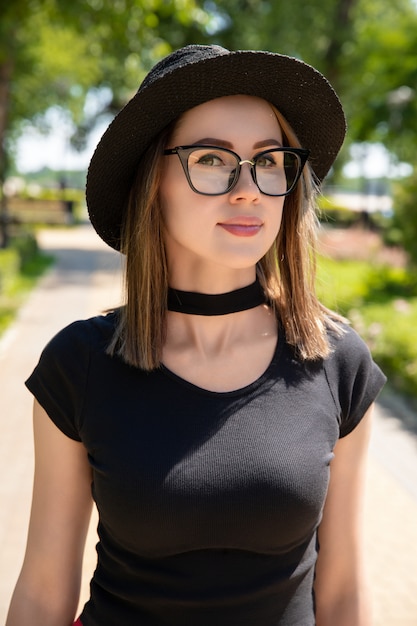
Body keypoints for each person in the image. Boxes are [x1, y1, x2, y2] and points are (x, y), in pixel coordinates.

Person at [6, 44, 386, 626]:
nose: (248, 188)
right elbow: (41, 594)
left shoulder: (338, 362)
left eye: (268, 159)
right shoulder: (79, 364)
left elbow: (342, 595)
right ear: (150, 180)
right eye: (211, 158)